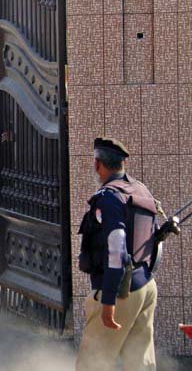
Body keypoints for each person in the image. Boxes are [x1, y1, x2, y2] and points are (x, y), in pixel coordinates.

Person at [76, 138, 159, 371]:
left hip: (121, 290)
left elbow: (117, 248)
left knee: (93, 363)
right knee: (139, 363)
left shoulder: (109, 197)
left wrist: (109, 299)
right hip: (145, 284)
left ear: (97, 164)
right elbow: (152, 241)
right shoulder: (139, 189)